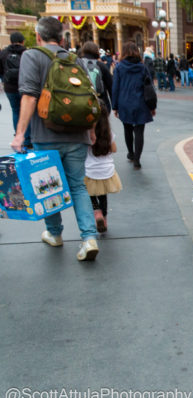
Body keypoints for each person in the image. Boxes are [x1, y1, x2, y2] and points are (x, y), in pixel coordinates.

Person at [10, 16, 101, 261]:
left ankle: (55, 233)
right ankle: (89, 237)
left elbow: (28, 97)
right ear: (62, 38)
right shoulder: (75, 59)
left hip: (46, 135)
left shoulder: (32, 56)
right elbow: (88, 97)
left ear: (38, 36)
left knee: (48, 187)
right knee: (78, 186)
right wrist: (91, 130)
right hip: (78, 135)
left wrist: (20, 135)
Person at [112, 41, 155, 170]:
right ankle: (137, 160)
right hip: (141, 102)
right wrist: (152, 106)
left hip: (124, 102)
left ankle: (130, 153)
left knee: (127, 128)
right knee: (139, 131)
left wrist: (115, 106)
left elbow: (115, 87)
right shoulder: (142, 67)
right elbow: (149, 86)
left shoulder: (119, 67)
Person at [84, 105, 122, 233]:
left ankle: (96, 212)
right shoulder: (108, 133)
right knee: (103, 195)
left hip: (89, 171)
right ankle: (104, 218)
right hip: (106, 171)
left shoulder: (86, 133)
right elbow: (114, 149)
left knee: (90, 194)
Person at [0, 31, 32, 148]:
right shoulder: (27, 53)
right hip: (25, 87)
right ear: (23, 41)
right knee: (27, 111)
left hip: (9, 88)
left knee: (16, 111)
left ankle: (18, 135)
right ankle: (27, 138)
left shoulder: (3, 53)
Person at [79, 41, 113, 114]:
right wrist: (115, 105)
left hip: (83, 102)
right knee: (102, 124)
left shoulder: (78, 64)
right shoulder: (101, 65)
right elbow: (110, 86)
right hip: (101, 102)